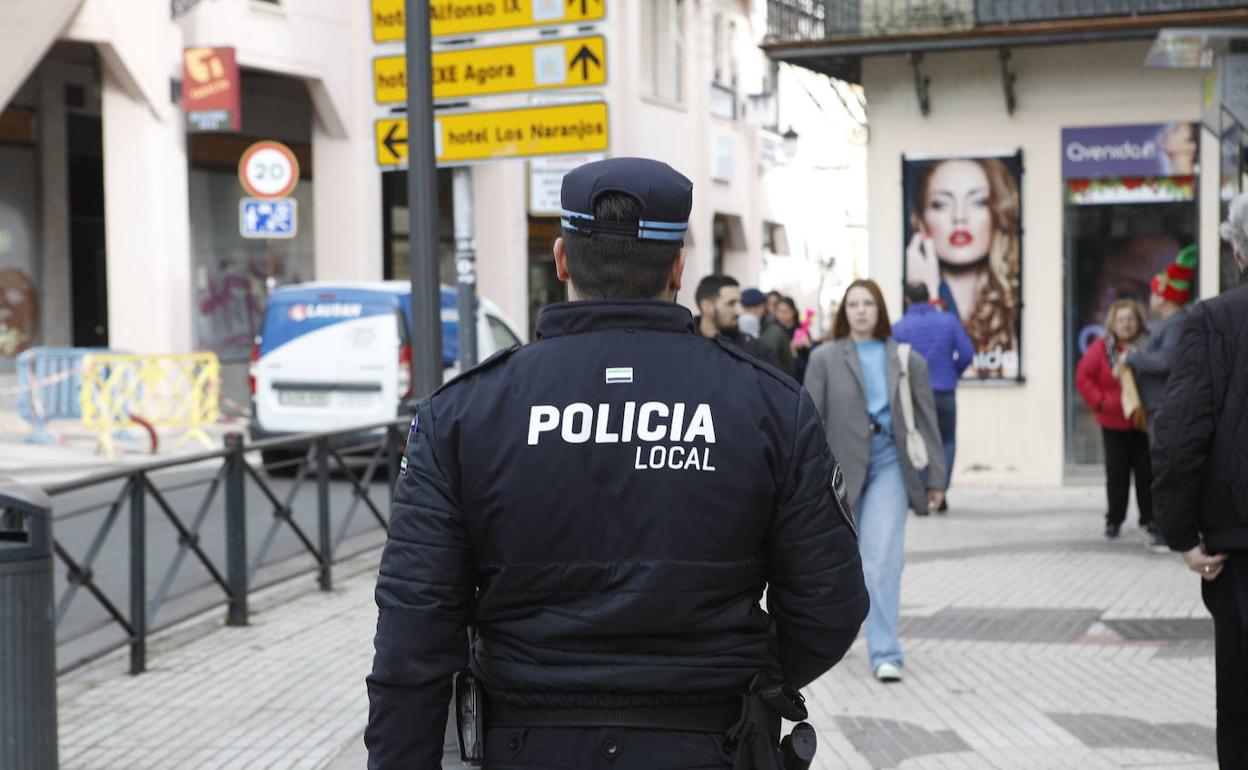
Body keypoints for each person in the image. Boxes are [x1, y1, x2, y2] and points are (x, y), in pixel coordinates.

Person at [365, 157, 869, 769]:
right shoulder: (768, 404)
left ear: (561, 261)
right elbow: (829, 601)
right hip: (714, 742)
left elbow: (414, 627)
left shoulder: (465, 411)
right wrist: (736, 670)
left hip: (528, 745)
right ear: (679, 269)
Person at [804, 279, 945, 684]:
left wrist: (936, 477)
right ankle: (842, 635)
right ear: (843, 311)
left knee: (882, 560)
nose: (861, 310)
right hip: (839, 471)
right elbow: (809, 420)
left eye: (868, 303)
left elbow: (927, 421)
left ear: (880, 309)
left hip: (890, 466)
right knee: (841, 561)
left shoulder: (905, 358)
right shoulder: (825, 358)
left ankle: (885, 651)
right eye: (853, 304)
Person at [1152, 191, 1248, 767]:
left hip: (1239, 545)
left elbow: (1180, 433)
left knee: (1240, 706)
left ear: (1239, 253)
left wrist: (1183, 533)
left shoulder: (1215, 319)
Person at [905, 157, 1022, 379]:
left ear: (997, 213)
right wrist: (930, 292)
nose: (960, 217)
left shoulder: (1011, 306)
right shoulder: (909, 311)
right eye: (941, 204)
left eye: (978, 202)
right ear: (921, 221)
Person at [1125, 244, 1196, 551]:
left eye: (1153, 291)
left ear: (1165, 295)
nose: (1149, 297)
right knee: (1160, 471)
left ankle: (1172, 533)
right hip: (1156, 409)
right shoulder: (1163, 325)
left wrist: (1132, 360)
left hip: (1167, 409)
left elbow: (1166, 362)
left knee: (1167, 472)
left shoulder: (1177, 324)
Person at [892, 281, 974, 511]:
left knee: (918, 440)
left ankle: (921, 493)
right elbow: (967, 352)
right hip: (945, 390)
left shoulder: (899, 328)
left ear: (908, 299)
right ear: (929, 297)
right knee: (946, 440)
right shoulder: (948, 321)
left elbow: (892, 361)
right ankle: (940, 490)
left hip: (914, 395)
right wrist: (953, 372)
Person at [1075, 299, 1152, 539]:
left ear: (1138, 321)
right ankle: (1114, 519)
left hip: (1143, 421)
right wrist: (1100, 402)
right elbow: (1083, 377)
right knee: (1116, 474)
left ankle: (1149, 520)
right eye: (1121, 320)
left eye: (1130, 319)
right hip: (1113, 422)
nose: (1126, 325)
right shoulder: (1100, 347)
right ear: (1113, 323)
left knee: (1146, 474)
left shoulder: (1149, 346)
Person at [694, 275, 779, 367]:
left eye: (740, 303)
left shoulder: (754, 350)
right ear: (707, 306)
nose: (740, 311)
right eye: (731, 303)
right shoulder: (686, 347)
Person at [741, 288, 795, 376]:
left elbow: (788, 366)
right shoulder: (733, 332)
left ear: (763, 307)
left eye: (756, 307)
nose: (752, 311)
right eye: (747, 308)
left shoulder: (776, 333)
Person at [774, 296, 813, 382]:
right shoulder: (774, 331)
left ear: (794, 311)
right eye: (779, 311)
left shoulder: (802, 331)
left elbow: (811, 363)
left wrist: (808, 346)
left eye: (786, 311)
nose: (782, 315)